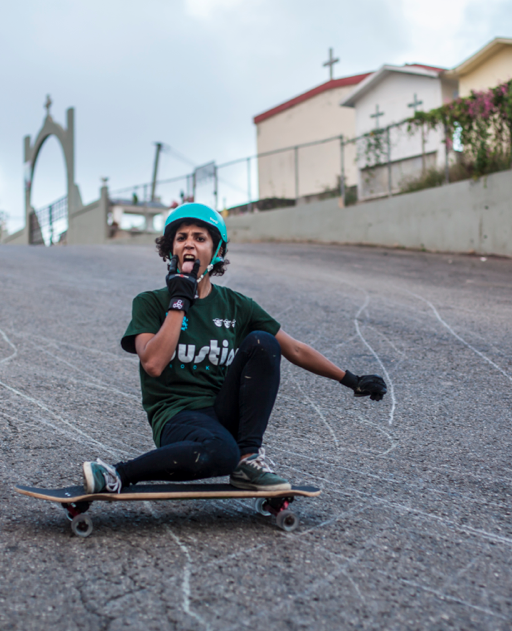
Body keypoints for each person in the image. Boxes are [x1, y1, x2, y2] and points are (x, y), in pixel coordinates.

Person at [82, 203, 387, 494]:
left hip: (222, 410)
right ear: (170, 250)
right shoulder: (150, 302)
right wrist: (179, 301)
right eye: (181, 237)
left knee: (263, 342)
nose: (189, 244)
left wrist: (351, 380)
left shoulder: (236, 305)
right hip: (177, 416)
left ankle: (248, 460)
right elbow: (153, 364)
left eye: (200, 238)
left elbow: (294, 349)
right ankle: (116, 474)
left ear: (217, 251)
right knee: (220, 452)